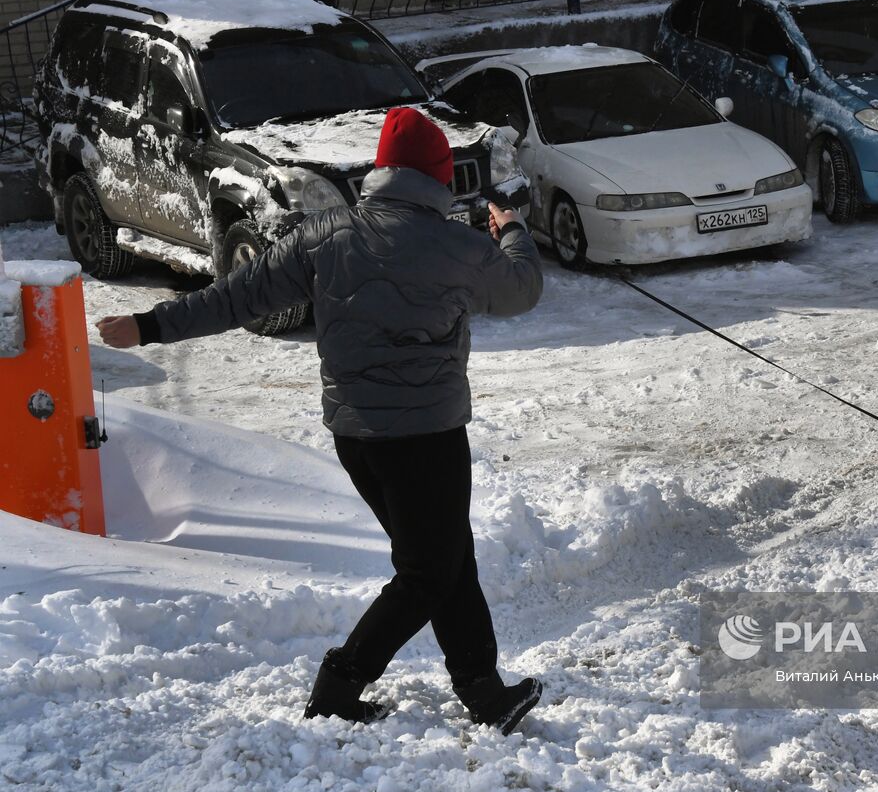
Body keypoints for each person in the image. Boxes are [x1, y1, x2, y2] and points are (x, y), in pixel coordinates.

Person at [97, 107, 545, 734]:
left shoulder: (326, 235)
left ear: (383, 172)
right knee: (429, 569)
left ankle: (483, 688)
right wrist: (513, 227)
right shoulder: (458, 246)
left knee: (444, 555)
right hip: (427, 436)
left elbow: (237, 297)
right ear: (440, 178)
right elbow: (522, 289)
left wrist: (150, 325)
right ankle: (340, 683)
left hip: (357, 437)